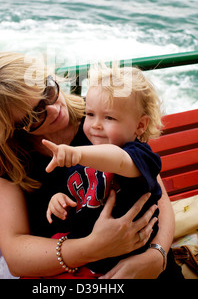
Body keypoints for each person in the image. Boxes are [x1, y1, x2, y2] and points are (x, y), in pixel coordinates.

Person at [0, 52, 176, 279]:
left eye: (48, 91)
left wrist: (156, 256)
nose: (53, 110)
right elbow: (15, 254)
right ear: (10, 127)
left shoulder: (100, 116)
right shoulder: (7, 158)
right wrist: (94, 247)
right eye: (34, 116)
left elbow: (158, 196)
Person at [44, 65, 163, 275]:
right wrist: (61, 200)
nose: (96, 125)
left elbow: (118, 161)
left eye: (109, 118)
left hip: (134, 266)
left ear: (140, 126)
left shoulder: (140, 156)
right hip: (91, 262)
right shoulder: (85, 158)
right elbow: (83, 202)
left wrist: (77, 154)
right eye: (90, 114)